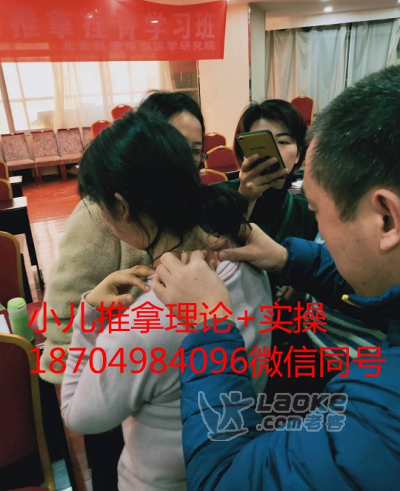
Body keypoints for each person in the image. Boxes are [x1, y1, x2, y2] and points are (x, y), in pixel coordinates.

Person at [152, 66, 400, 489]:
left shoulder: (379, 414)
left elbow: (223, 480)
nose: (320, 235)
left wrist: (210, 327)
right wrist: (289, 258)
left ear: (386, 219)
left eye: (319, 212)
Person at [61, 109, 273, 491]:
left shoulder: (139, 327)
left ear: (121, 207)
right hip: (237, 458)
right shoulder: (251, 263)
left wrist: (89, 315)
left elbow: (77, 414)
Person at [38, 91, 208, 491]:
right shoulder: (99, 213)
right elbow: (61, 315)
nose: (181, 165)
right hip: (111, 381)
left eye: (193, 152)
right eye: (172, 148)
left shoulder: (200, 217)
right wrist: (94, 365)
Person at [232, 99, 318, 243]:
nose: (274, 151)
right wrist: (244, 199)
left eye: (283, 142)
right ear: (243, 152)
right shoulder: (217, 197)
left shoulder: (308, 212)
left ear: (298, 154)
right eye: (260, 143)